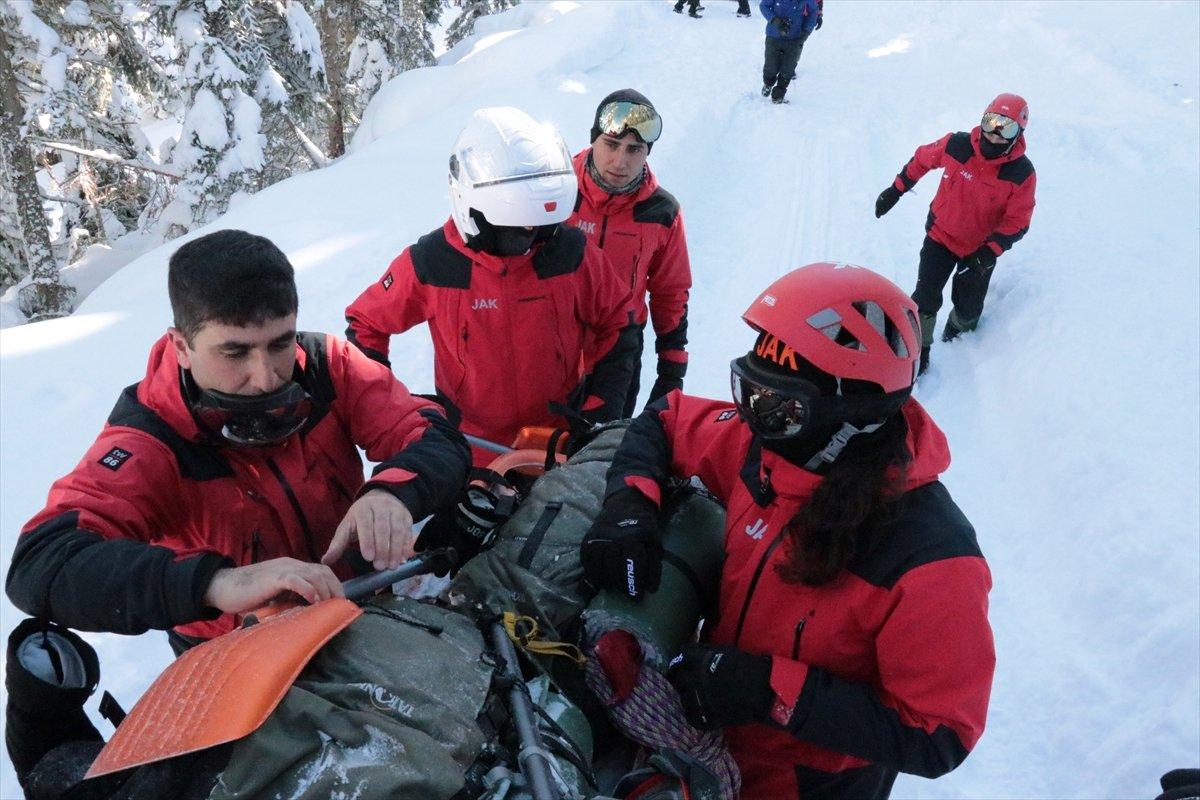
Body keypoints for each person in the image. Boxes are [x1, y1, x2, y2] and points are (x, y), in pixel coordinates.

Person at [580, 262, 995, 798]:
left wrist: (767, 689)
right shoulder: (771, 454)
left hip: (810, 784)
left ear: (854, 416)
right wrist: (629, 505)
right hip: (705, 742)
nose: (753, 421)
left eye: (779, 409)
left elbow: (941, 735)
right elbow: (667, 420)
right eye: (748, 391)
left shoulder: (930, 561)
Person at [6, 229, 471, 653]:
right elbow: (42, 563)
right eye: (234, 352)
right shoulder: (152, 438)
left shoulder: (328, 365)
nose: (266, 377)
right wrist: (217, 583)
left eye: (279, 344)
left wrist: (392, 491)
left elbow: (432, 431)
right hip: (239, 654)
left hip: (358, 605)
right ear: (182, 346)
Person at [345, 107, 640, 465]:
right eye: (519, 231)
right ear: (476, 214)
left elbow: (619, 323)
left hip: (558, 442)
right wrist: (387, 410)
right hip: (468, 449)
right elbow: (367, 324)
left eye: (543, 226)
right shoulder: (435, 263)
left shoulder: (568, 252)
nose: (533, 240)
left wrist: (599, 412)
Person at [875, 93, 1037, 374]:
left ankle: (958, 330)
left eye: (1006, 128)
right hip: (940, 236)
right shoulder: (958, 145)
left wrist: (990, 251)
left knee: (969, 308)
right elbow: (922, 159)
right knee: (925, 297)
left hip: (978, 252)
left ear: (1018, 134)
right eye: (992, 123)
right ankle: (918, 351)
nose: (995, 134)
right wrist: (895, 190)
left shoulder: (1021, 173)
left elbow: (1018, 220)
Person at [569, 90, 692, 416]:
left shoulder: (661, 212)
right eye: (611, 145)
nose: (621, 161)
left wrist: (672, 369)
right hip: (550, 346)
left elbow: (670, 290)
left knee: (599, 456)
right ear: (594, 140)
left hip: (618, 355)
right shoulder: (556, 190)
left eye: (635, 150)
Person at [759, 0, 822, 104]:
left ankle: (778, 95)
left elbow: (814, 10)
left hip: (795, 38)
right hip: (773, 35)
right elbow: (764, 6)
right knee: (771, 64)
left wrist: (806, 31)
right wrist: (775, 20)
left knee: (788, 68)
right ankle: (768, 83)